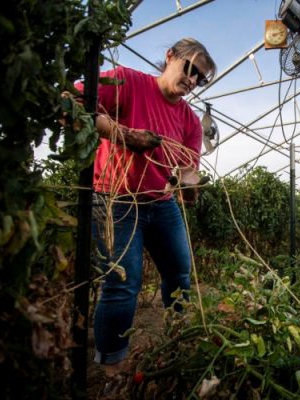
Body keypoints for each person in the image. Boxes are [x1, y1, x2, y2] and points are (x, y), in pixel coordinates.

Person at [75, 38, 217, 378]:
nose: (193, 80)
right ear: (170, 57)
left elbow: (188, 171)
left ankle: (176, 337)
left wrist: (190, 187)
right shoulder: (127, 82)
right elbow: (75, 102)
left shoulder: (190, 122)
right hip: (116, 199)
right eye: (190, 69)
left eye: (201, 77)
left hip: (161, 202)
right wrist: (124, 135)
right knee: (124, 283)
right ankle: (113, 366)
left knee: (180, 272)